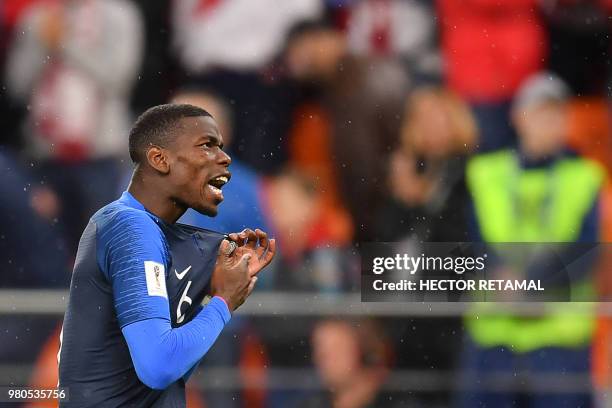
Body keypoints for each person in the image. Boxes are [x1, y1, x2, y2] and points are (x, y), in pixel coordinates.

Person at [58, 104, 276, 407]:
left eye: (221, 147)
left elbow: (167, 373)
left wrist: (208, 291)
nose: (224, 158)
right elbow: (158, 368)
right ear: (160, 159)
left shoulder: (148, 229)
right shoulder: (131, 228)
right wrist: (223, 301)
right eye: (207, 146)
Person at [459, 72, 604, 407]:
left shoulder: (585, 177)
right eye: (540, 112)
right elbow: (470, 241)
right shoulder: (484, 172)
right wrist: (500, 277)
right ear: (517, 116)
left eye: (557, 114)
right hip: (494, 334)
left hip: (558, 338)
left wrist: (528, 285)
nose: (549, 123)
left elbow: (584, 252)